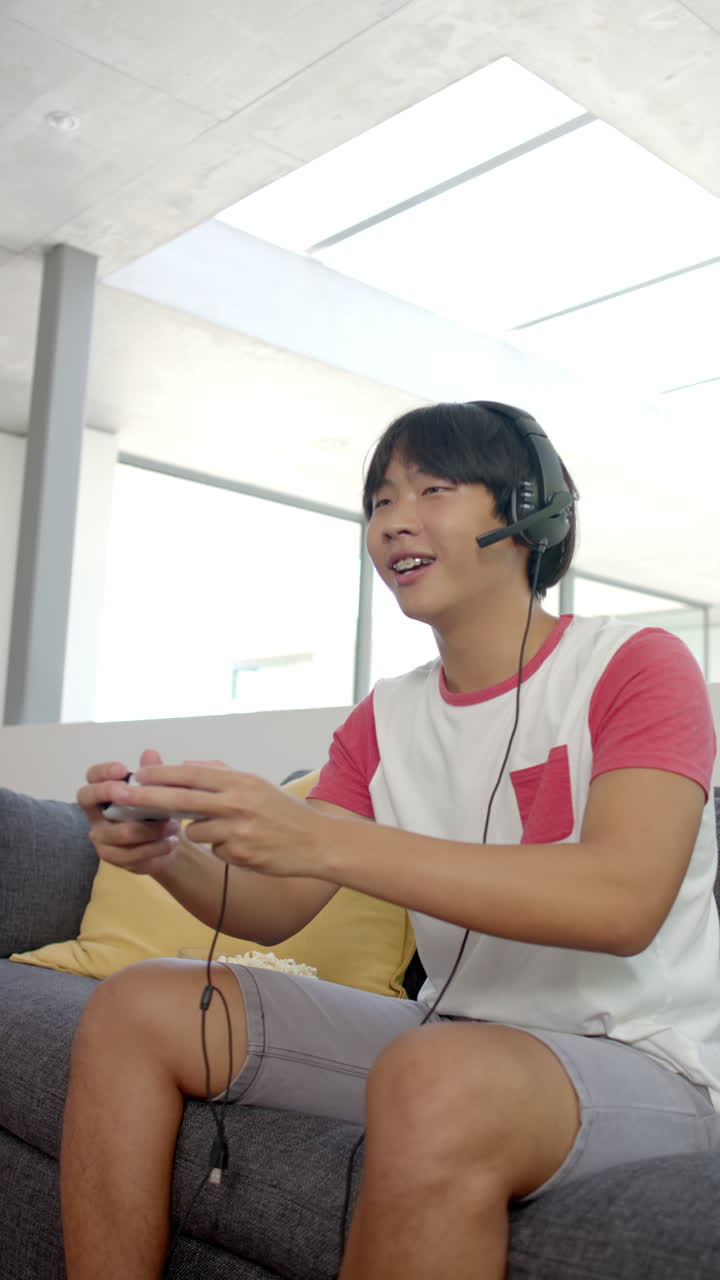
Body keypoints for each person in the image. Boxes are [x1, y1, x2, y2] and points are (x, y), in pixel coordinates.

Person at [61, 400, 720, 1280]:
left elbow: (622, 901)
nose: (394, 520)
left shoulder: (635, 662)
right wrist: (168, 854)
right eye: (379, 500)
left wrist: (321, 840)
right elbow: (276, 908)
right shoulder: (388, 715)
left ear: (530, 512)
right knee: (137, 1006)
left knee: (435, 1073)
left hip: (644, 1058)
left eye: (434, 488)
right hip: (450, 1032)